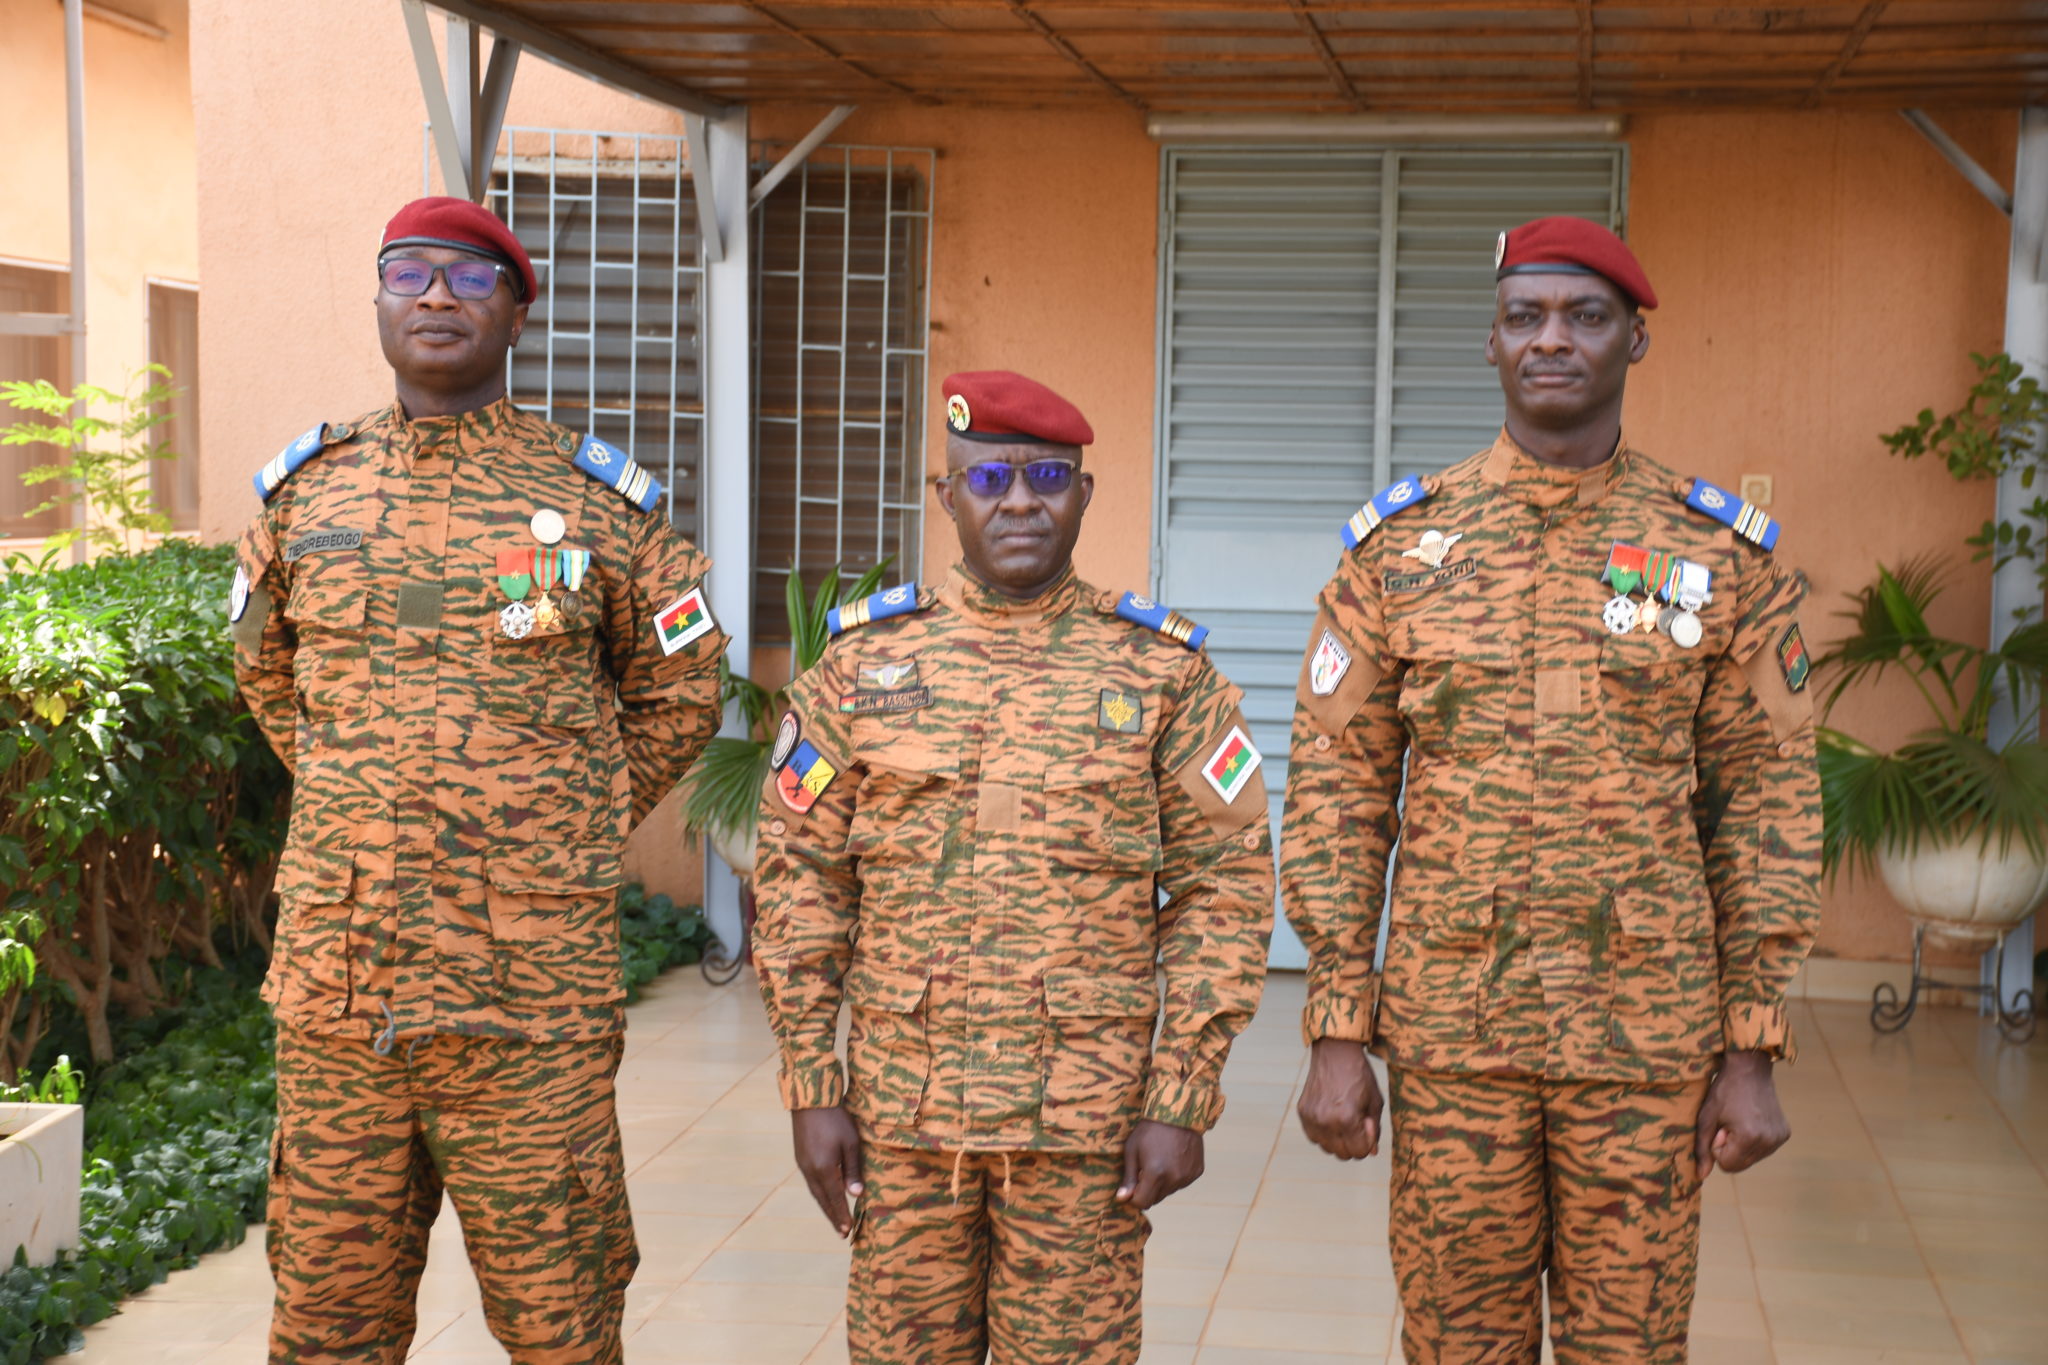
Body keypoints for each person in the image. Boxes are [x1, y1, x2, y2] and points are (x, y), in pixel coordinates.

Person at [1281, 217, 1820, 1363]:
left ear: (1634, 340)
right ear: (1489, 343)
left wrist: (1751, 1045)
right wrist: (1336, 1021)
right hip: (1450, 1038)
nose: (1551, 341)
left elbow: (1766, 807)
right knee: (1456, 1345)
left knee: (1626, 1347)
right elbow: (1336, 797)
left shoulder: (1716, 556)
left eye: (1584, 316)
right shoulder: (1400, 550)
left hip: (1645, 1042)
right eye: (1524, 317)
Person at [230, 195, 727, 1365]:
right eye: (409, 274)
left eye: (469, 278)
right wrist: (361, 795)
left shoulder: (600, 504)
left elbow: (685, 683)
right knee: (324, 1327)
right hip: (342, 1001)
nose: (437, 297)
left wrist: (574, 813)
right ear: (379, 303)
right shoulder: (309, 495)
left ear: (515, 313)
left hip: (529, 1003)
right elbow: (265, 674)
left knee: (560, 1324)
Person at [752, 369, 1274, 1364]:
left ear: (1083, 493)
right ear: (945, 498)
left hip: (1083, 1125)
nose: (1020, 500)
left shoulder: (1162, 674)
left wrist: (1180, 1098)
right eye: (989, 477)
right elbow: (796, 883)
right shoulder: (859, 671)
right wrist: (812, 1087)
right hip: (904, 1122)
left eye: (1046, 475)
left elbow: (1225, 889)